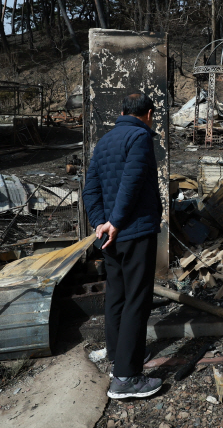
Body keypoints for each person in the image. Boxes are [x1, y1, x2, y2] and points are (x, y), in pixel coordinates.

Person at [82, 93, 163, 399]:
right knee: (137, 299)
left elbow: (91, 189)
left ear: (121, 112)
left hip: (110, 235)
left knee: (117, 293)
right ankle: (126, 378)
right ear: (149, 113)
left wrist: (101, 224)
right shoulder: (140, 137)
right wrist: (115, 223)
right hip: (133, 231)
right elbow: (131, 182)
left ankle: (118, 354)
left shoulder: (104, 142)